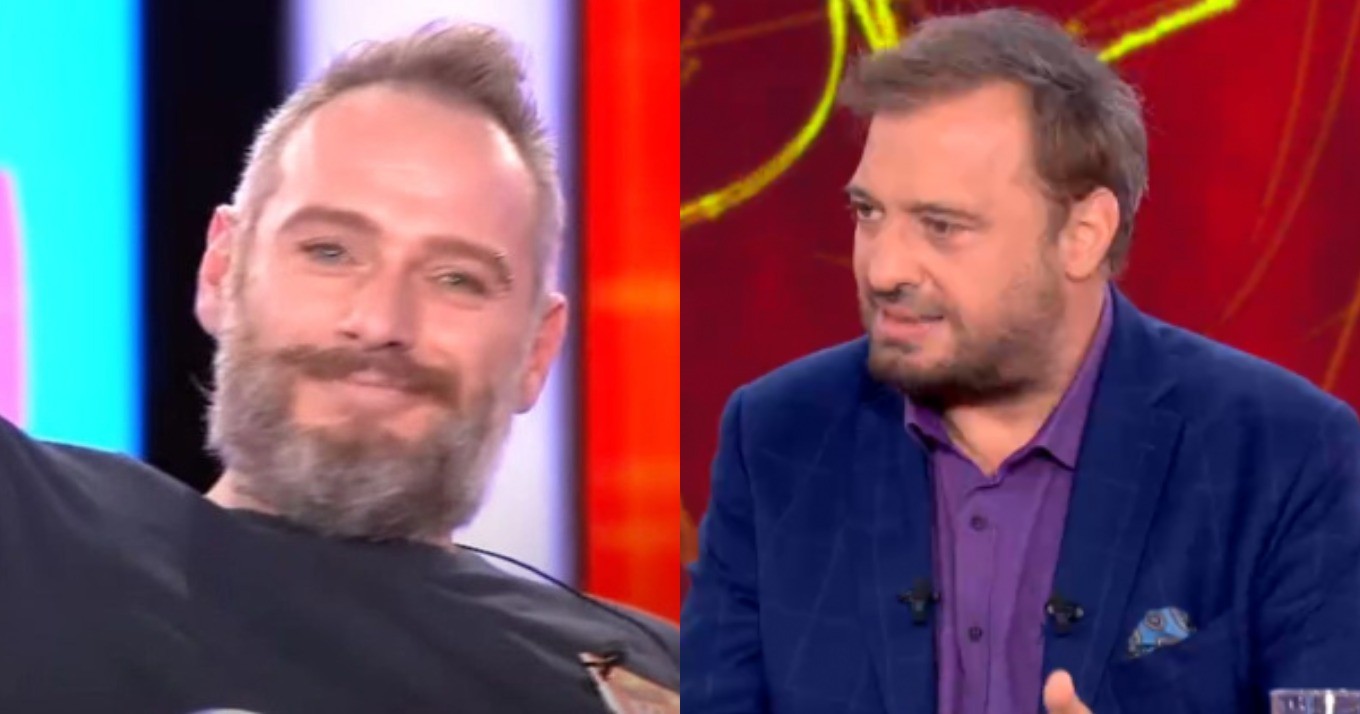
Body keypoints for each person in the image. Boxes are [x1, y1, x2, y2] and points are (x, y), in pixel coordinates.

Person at [680, 8, 1360, 714]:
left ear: (1083, 234)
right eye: (868, 213)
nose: (883, 269)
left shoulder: (1285, 454)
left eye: (941, 225)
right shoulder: (779, 439)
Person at [0, 22, 677, 713]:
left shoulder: (666, 676)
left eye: (457, 279)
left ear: (537, 350)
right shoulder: (28, 532)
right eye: (330, 252)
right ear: (222, 270)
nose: (382, 323)